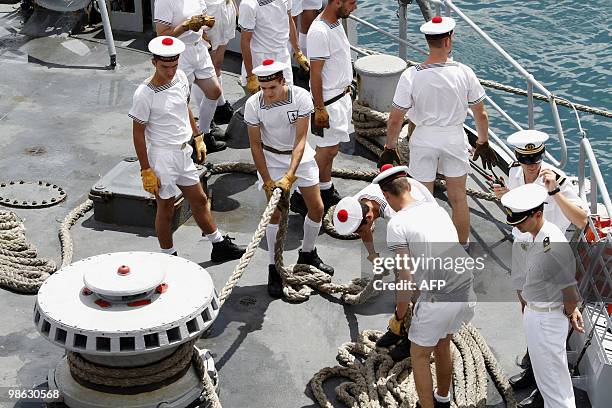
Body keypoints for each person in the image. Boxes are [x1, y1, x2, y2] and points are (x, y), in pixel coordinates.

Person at [379, 15, 497, 251]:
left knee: (423, 200)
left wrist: (390, 148)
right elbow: (481, 114)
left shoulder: (411, 75)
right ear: (448, 40)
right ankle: (461, 247)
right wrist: (483, 142)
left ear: (428, 41)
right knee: (458, 197)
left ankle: (427, 249)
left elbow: (395, 119)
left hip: (423, 139)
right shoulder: (464, 72)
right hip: (453, 137)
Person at [492, 129, 588, 406]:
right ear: (518, 158)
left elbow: (581, 220)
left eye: (536, 159)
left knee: (547, 333)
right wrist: (506, 196)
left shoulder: (556, 179)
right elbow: (517, 214)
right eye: (526, 160)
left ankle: (545, 382)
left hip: (546, 251)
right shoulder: (514, 173)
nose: (532, 165)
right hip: (523, 246)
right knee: (529, 312)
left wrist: (555, 193)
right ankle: (536, 375)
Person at [129, 36, 245, 262]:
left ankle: (218, 245)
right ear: (154, 63)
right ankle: (169, 256)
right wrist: (146, 169)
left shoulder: (181, 77)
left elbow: (185, 108)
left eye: (174, 65)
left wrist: (198, 137)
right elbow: (137, 133)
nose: (171, 71)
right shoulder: (145, 94)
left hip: (183, 152)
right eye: (165, 67)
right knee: (166, 208)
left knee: (200, 200)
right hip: (162, 156)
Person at [374, 165, 476, 408]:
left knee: (419, 356)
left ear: (387, 196)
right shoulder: (436, 210)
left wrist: (400, 317)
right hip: (466, 291)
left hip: (438, 299)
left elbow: (404, 278)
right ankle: (443, 399)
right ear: (409, 186)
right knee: (443, 343)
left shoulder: (397, 225)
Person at [243, 59, 334, 298]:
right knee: (274, 215)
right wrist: (267, 181)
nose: (267, 93)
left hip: (299, 158)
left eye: (272, 87)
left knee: (317, 207)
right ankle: (274, 268)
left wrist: (290, 176)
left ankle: (307, 253)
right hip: (271, 159)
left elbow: (301, 141)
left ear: (283, 81)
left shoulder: (301, 97)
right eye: (263, 88)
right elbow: (255, 145)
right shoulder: (253, 105)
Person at [501, 183, 584, 408]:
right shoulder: (536, 237)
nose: (517, 225)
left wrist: (571, 309)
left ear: (537, 215)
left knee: (554, 385)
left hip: (546, 319)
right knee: (548, 381)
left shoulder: (551, 243)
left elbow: (569, 288)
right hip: (537, 314)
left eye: (520, 220)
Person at [291, 0, 356, 213]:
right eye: (351, 2)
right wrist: (319, 108)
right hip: (329, 101)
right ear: (337, 2)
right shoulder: (319, 31)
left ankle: (326, 188)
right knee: (326, 151)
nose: (354, 8)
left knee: (332, 150)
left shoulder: (335, 23)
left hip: (341, 97)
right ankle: (301, 194)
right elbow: (316, 74)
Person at [154, 0, 227, 152]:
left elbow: (205, 21)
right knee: (181, 100)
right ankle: (186, 143)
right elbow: (161, 34)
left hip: (198, 48)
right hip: (180, 53)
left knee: (214, 91)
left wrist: (207, 22)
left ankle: (205, 133)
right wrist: (186, 26)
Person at [333, 164, 436, 262]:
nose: (359, 234)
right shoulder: (355, 205)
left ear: (369, 218)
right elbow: (364, 231)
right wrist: (373, 256)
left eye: (359, 230)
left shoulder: (396, 215)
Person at [238, 0, 309, 94]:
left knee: (287, 97)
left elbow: (289, 20)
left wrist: (298, 52)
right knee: (261, 104)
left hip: (283, 56)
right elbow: (245, 41)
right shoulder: (248, 4)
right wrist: (251, 76)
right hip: (260, 61)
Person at [191, 0, 237, 126]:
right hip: (208, 12)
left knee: (217, 63)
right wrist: (201, 30)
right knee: (204, 70)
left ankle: (220, 107)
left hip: (225, 8)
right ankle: (206, 119)